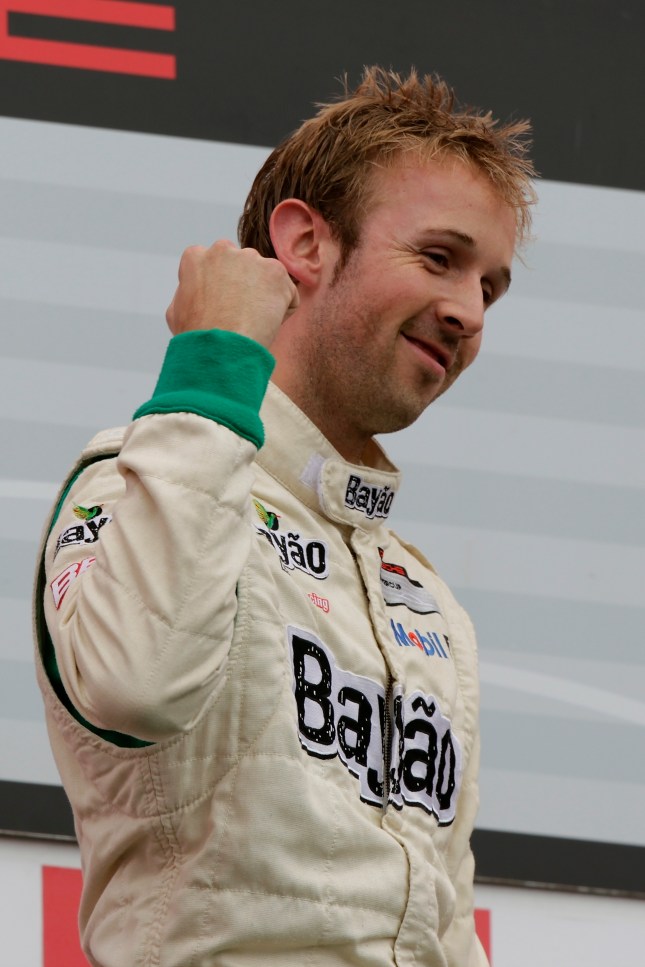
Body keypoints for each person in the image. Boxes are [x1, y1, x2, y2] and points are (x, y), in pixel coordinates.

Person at [34, 67, 535, 967]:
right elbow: (133, 685)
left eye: (489, 289)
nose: (466, 310)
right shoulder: (134, 477)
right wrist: (210, 366)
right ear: (305, 243)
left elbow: (444, 926)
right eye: (437, 257)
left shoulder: (426, 599)